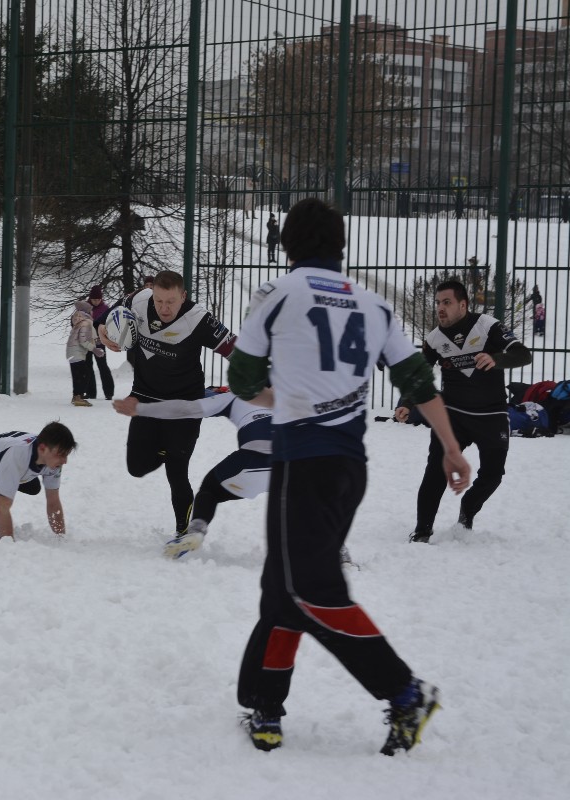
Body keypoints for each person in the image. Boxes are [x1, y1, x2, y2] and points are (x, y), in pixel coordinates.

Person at [226, 197, 471, 755]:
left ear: (286, 245)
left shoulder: (278, 295)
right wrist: (451, 447)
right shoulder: (373, 304)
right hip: (347, 468)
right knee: (283, 588)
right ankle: (265, 706)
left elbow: (241, 378)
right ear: (342, 246)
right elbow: (416, 380)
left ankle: (405, 692)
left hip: (302, 463)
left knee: (311, 589)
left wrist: (284, 394)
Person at [98, 269, 237, 535]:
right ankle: (165, 449)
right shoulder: (138, 300)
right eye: (159, 301)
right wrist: (102, 329)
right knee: (136, 468)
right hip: (145, 397)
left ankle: (183, 533)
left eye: (170, 301)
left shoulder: (199, 320)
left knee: (177, 470)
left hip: (184, 404)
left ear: (183, 296)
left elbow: (235, 350)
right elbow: (105, 318)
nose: (163, 308)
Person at [406, 279, 532, 542]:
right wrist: (405, 404)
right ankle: (421, 531)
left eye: (447, 302)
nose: (441, 308)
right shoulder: (434, 338)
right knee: (435, 470)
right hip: (452, 415)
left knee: (493, 476)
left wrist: (496, 359)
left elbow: (523, 354)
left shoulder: (488, 326)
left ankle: (467, 512)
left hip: (491, 415)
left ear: (463, 305)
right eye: (438, 303)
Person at [113, 387, 272, 559]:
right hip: (297, 463)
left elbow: (186, 408)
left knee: (209, 491)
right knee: (294, 502)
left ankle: (195, 532)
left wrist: (140, 408)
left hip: (255, 458)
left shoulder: (235, 397)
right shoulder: (295, 392)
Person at [85, 285, 115, 400]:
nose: (96, 302)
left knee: (102, 366)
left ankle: (109, 392)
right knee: (88, 367)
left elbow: (110, 325)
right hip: (86, 342)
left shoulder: (105, 309)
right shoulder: (84, 308)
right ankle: (90, 393)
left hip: (99, 343)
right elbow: (76, 321)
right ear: (90, 298)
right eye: (94, 300)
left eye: (98, 299)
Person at [67, 299, 98, 407]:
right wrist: (94, 349)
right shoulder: (85, 322)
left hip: (73, 351)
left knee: (79, 375)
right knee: (84, 375)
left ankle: (76, 396)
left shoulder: (78, 321)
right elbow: (83, 340)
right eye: (90, 311)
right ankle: (78, 396)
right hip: (77, 351)